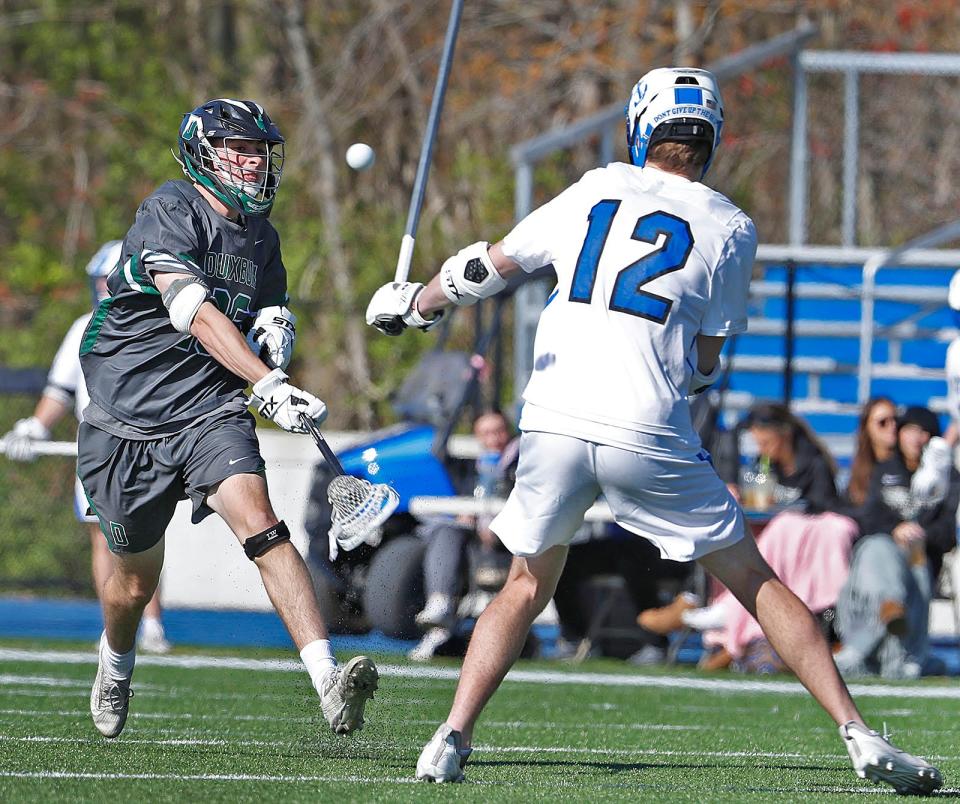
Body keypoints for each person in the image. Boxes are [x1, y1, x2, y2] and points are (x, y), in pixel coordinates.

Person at [365, 67, 942, 793]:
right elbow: (706, 358)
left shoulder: (595, 188)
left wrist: (415, 303)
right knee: (755, 580)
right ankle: (856, 734)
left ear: (643, 126)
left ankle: (451, 736)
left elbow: (489, 266)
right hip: (646, 426)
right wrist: (681, 373)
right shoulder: (731, 226)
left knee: (521, 584)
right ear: (711, 137)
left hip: (555, 422)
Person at [77, 98, 377, 740]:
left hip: (209, 408)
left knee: (263, 524)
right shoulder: (169, 209)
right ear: (202, 153)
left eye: (259, 151)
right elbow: (195, 312)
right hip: (129, 414)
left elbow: (267, 308)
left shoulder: (262, 235)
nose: (253, 162)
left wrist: (276, 334)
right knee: (131, 584)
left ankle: (327, 680)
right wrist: (267, 381)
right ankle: (116, 660)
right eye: (238, 148)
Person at [0, 241, 171, 654]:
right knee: (102, 537)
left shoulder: (158, 326)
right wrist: (35, 427)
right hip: (97, 449)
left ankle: (151, 624)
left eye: (106, 278)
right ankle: (114, 625)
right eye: (97, 280)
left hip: (147, 447)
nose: (101, 287)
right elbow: (61, 390)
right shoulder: (84, 327)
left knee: (145, 537)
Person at [643, 403, 858, 672]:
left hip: (801, 545)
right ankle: (702, 598)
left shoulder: (813, 465)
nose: (762, 449)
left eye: (766, 442)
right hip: (772, 534)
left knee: (784, 527)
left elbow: (822, 509)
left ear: (783, 435)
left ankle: (726, 610)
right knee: (728, 527)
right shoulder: (764, 466)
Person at [835, 406, 958, 678]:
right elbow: (870, 518)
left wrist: (920, 534)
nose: (916, 438)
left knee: (895, 555)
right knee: (876, 548)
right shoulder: (885, 471)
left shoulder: (947, 477)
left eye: (924, 431)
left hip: (922, 558)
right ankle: (895, 618)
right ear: (900, 434)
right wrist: (896, 529)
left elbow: (948, 531)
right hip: (884, 550)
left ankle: (859, 648)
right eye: (910, 430)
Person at [409, 409, 519, 661]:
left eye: (499, 431)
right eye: (486, 433)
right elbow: (437, 450)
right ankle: (440, 608)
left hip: (507, 543)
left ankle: (447, 623)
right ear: (477, 436)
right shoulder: (469, 469)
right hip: (472, 543)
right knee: (446, 530)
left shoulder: (522, 465)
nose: (494, 439)